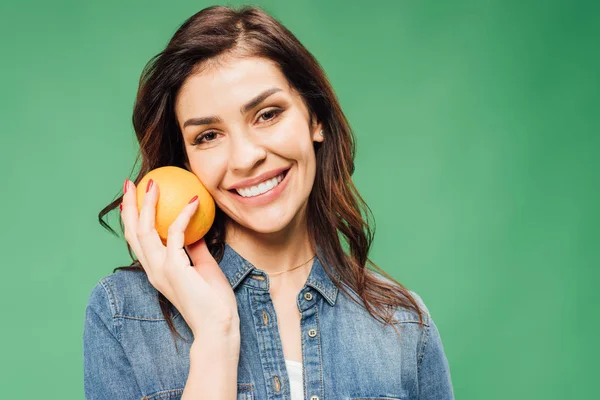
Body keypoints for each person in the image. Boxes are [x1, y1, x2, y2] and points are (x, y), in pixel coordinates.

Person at [84, 5, 454, 400]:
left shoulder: (403, 325)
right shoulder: (123, 312)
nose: (246, 158)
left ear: (316, 118)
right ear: (186, 161)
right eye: (208, 135)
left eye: (267, 114)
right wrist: (215, 338)